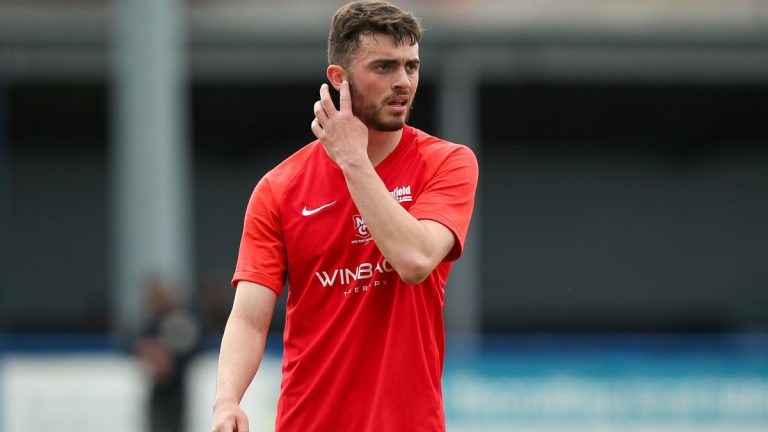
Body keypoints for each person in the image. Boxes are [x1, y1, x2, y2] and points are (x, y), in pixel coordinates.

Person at [212, 1, 478, 431]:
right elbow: (248, 318)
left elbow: (414, 260)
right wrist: (226, 401)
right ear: (339, 78)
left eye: (411, 67)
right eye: (384, 67)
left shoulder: (447, 163)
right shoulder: (279, 188)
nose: (403, 82)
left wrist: (354, 162)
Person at [136, 277, 201, 432]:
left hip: (177, 389)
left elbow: (193, 347)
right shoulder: (151, 323)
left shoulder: (183, 321)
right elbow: (136, 344)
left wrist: (168, 358)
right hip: (158, 389)